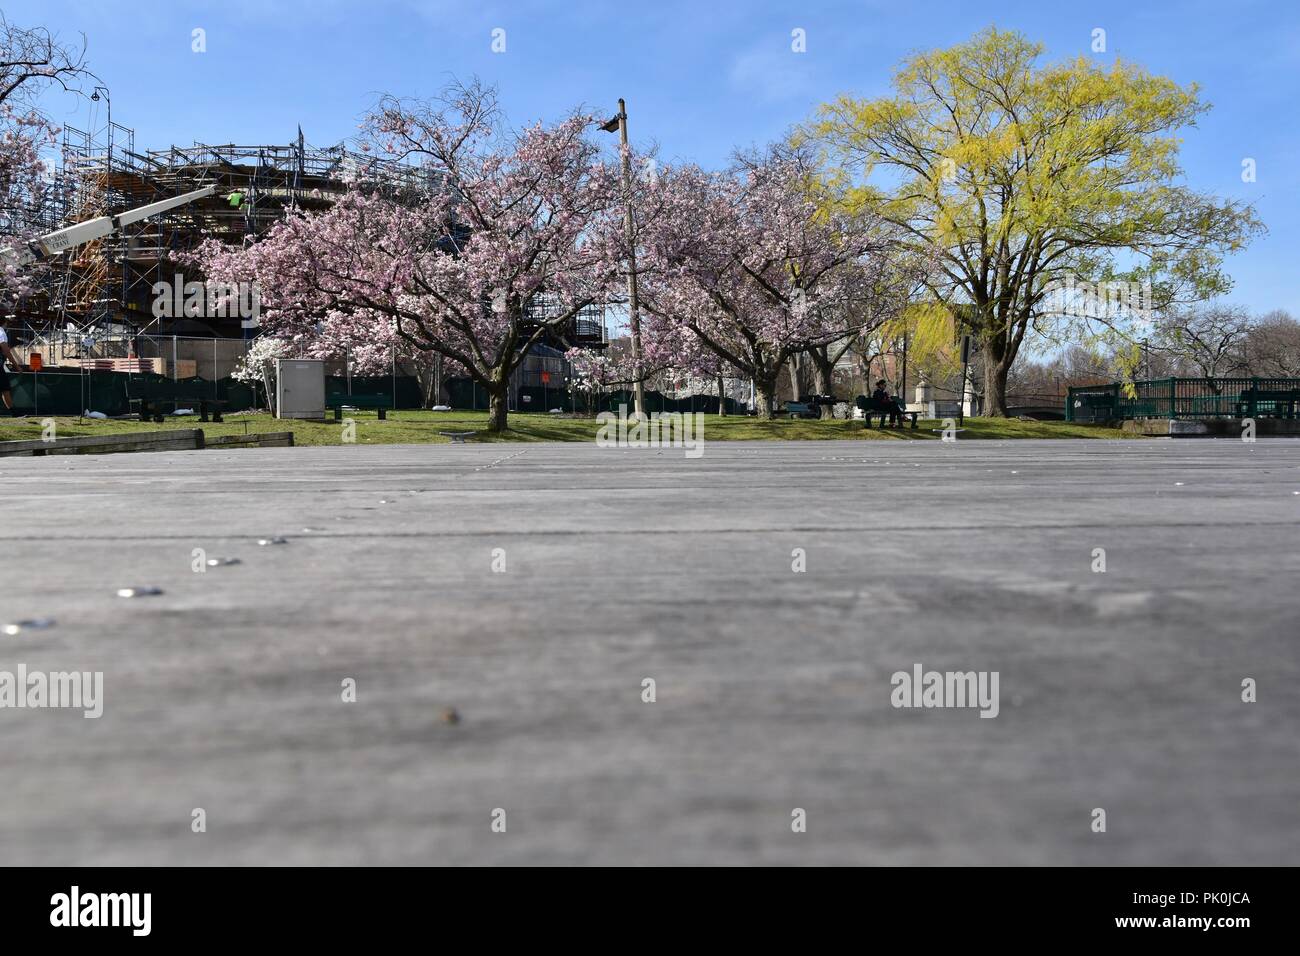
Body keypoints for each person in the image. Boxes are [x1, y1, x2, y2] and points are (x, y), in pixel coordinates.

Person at [0, 318, 30, 416]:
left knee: (5, 388)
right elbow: (6, 350)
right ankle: (14, 413)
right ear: (4, 323)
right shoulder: (1, 333)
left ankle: (14, 413)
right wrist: (16, 366)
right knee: (5, 388)